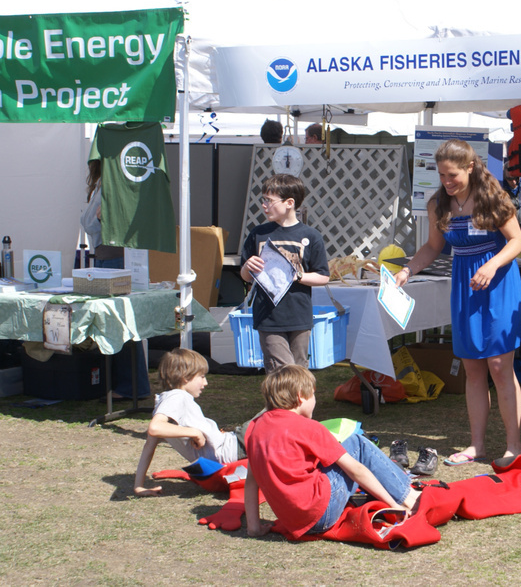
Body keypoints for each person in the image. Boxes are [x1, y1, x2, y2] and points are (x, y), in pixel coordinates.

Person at [395, 139, 521, 464]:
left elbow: (517, 241)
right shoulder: (438, 204)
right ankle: (477, 446)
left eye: (452, 175)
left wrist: (492, 264)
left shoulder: (493, 198)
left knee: (499, 366)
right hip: (465, 288)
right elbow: (432, 247)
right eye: (442, 175)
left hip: (497, 284)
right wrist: (408, 269)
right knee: (473, 369)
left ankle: (514, 446)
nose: (447, 182)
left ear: (470, 167)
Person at [244, 365, 420, 538]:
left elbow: (251, 481)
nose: (315, 400)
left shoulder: (255, 427)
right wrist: (391, 505)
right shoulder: (308, 427)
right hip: (321, 514)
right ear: (300, 396)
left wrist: (254, 528)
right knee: (356, 443)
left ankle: (404, 493)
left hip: (293, 521)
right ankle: (408, 497)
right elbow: (356, 470)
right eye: (313, 394)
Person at [133, 348, 255, 496]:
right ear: (185, 377)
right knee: (278, 411)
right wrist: (195, 432)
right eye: (202, 377)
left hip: (233, 444)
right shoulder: (177, 397)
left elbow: (149, 446)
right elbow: (154, 428)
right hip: (233, 448)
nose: (206, 382)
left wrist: (138, 486)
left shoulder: (165, 404)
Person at [240, 174, 330, 372]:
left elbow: (323, 276)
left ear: (290, 203)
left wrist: (299, 276)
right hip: (268, 317)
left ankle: (298, 403)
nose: (264, 205)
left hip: (299, 315)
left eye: (269, 200)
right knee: (282, 370)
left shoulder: (310, 236)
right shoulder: (258, 234)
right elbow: (245, 276)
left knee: (299, 370)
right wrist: (247, 267)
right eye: (263, 199)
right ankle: (280, 403)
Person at [80, 159, 151, 400]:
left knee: (120, 323)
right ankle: (129, 385)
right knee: (118, 323)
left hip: (113, 258)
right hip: (109, 257)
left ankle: (132, 386)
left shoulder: (112, 183)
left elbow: (92, 222)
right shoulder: (107, 183)